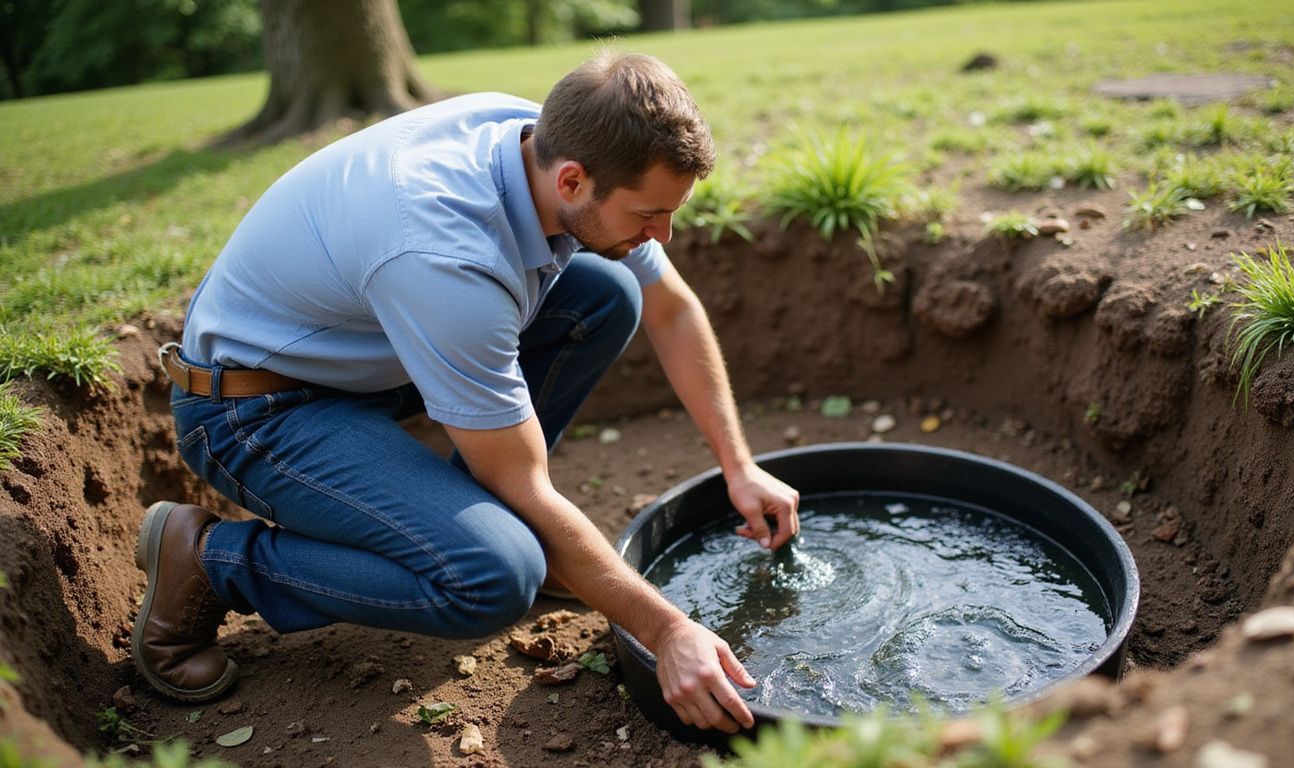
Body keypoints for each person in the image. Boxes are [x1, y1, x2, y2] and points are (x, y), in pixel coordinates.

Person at [133, 50, 801, 734]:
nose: (664, 234)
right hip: (255, 410)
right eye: (651, 215)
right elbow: (525, 484)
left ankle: (466, 526)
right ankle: (212, 562)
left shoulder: (539, 140)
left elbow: (673, 308)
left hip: (361, 359)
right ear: (573, 180)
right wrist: (666, 632)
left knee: (607, 293)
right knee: (494, 576)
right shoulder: (446, 258)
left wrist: (738, 465)